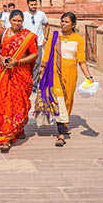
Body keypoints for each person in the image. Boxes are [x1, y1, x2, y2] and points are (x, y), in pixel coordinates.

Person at [34, 12, 94, 147]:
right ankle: (60, 134)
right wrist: (42, 72)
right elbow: (46, 55)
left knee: (67, 100)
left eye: (66, 22)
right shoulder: (55, 37)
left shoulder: (78, 39)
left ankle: (64, 123)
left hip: (71, 75)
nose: (63, 24)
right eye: (62, 21)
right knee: (59, 100)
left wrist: (88, 77)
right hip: (54, 74)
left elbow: (81, 60)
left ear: (73, 24)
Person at [0, 10, 39, 152]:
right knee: (5, 101)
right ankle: (6, 135)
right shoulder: (2, 33)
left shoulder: (28, 36)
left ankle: (18, 128)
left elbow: (34, 54)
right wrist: (0, 58)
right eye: (14, 20)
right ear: (9, 20)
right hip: (5, 73)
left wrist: (17, 62)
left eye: (19, 21)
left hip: (22, 74)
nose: (17, 23)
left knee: (21, 103)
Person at [22, 0, 50, 92]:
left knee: (37, 64)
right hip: (26, 44)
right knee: (26, 63)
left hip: (38, 43)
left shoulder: (41, 14)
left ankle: (33, 86)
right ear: (28, 5)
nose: (34, 6)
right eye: (32, 4)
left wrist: (45, 37)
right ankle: (25, 83)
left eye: (35, 4)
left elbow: (47, 25)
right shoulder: (23, 15)